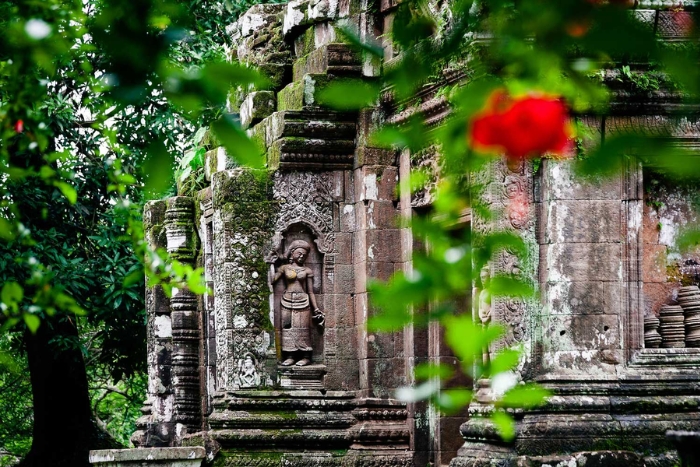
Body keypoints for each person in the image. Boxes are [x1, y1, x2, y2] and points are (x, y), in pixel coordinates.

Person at [271, 240, 324, 366]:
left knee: (303, 329)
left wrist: (316, 308)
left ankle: (306, 356)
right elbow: (272, 280)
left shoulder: (307, 270)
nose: (301, 256)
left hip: (303, 302)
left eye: (304, 255)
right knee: (287, 328)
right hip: (287, 301)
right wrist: (270, 263)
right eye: (299, 253)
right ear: (292, 253)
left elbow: (311, 291)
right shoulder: (284, 268)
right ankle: (290, 356)